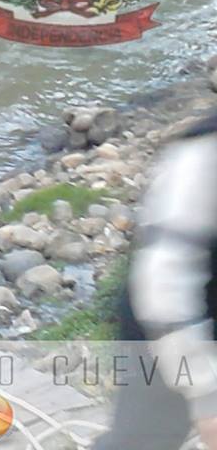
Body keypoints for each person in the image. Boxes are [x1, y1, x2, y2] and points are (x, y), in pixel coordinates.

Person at [91, 112, 217, 450]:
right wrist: (207, 399)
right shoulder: (204, 155)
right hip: (167, 325)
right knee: (143, 439)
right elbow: (165, 280)